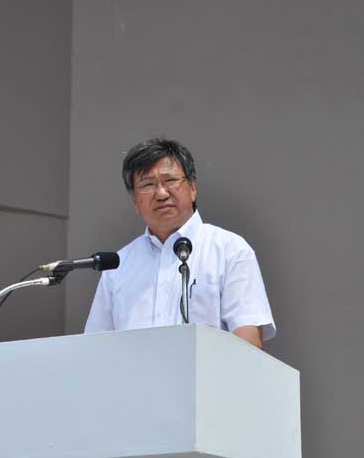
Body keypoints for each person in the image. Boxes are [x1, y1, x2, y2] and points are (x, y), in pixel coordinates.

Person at [84, 137, 275, 348]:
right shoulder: (119, 265)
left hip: (211, 371)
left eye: (170, 181)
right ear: (135, 202)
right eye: (147, 185)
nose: (161, 193)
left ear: (192, 188)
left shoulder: (230, 250)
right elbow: (95, 347)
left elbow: (248, 342)